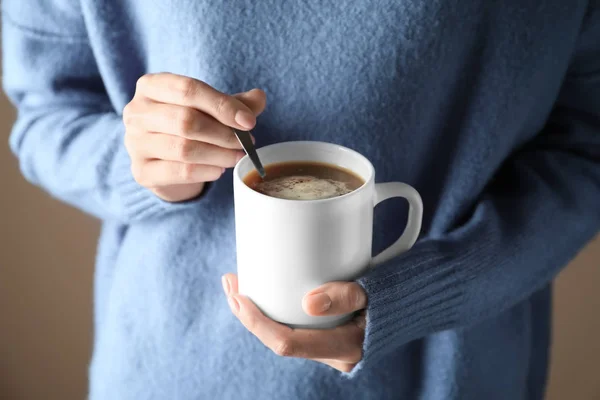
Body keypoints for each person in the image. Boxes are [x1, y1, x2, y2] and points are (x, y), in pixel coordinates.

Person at [2, 0, 599, 399]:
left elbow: (587, 146)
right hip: (175, 371)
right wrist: (144, 164)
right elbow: (46, 116)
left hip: (454, 374)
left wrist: (432, 288)